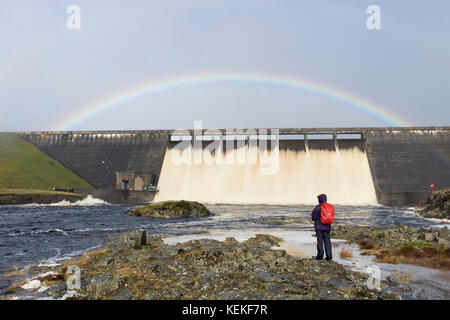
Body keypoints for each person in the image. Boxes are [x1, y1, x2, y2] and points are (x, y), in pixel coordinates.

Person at [311, 194, 332, 260]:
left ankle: (320, 256)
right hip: (327, 227)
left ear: (319, 200)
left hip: (319, 227)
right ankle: (329, 256)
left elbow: (313, 216)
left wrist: (316, 220)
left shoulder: (317, 207)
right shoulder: (329, 207)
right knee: (327, 241)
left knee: (320, 241)